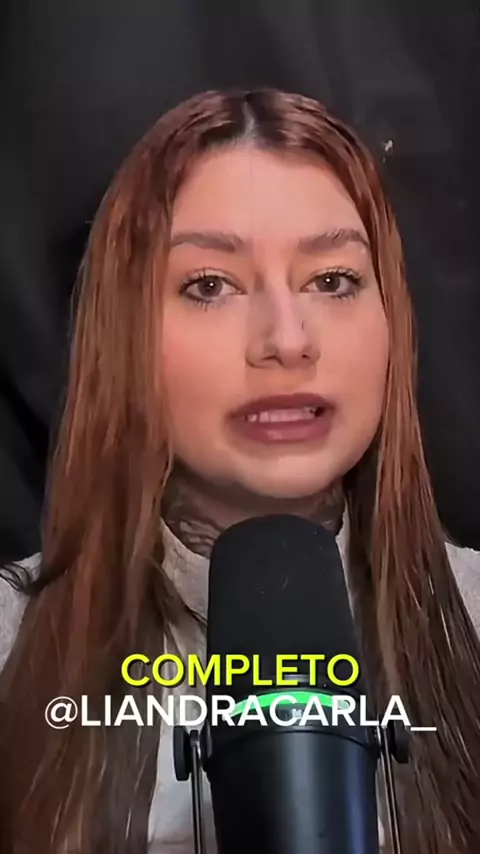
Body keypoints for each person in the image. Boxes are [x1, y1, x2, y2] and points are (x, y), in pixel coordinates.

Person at [0, 88, 479, 854]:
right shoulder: (10, 644)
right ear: (123, 334)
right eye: (210, 285)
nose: (287, 340)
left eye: (332, 280)